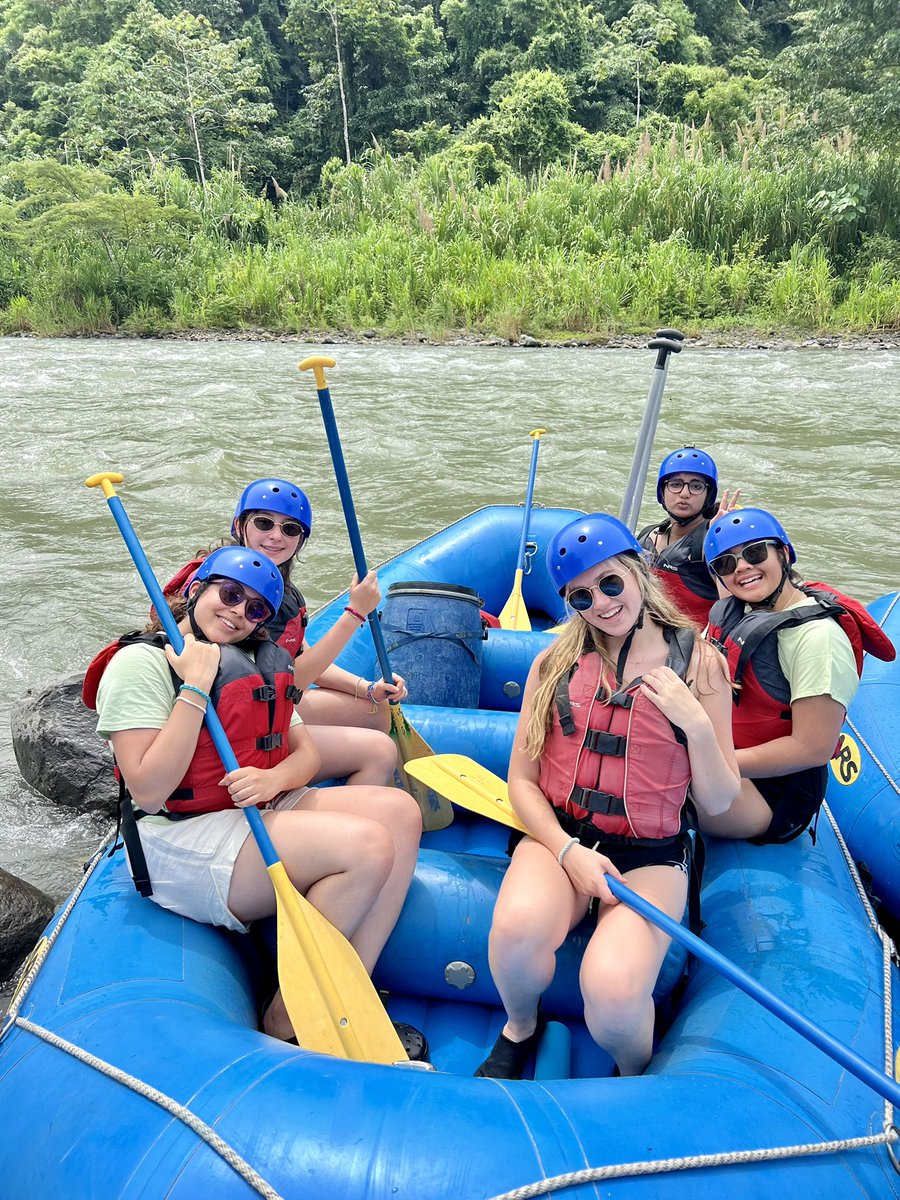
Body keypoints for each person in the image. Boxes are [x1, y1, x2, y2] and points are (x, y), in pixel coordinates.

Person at [93, 545, 423, 1051]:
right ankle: (286, 1021)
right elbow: (149, 788)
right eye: (228, 594)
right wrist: (194, 690)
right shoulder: (140, 664)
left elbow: (304, 753)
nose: (237, 612)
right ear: (195, 590)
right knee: (366, 846)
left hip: (251, 806)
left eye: (255, 609)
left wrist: (273, 781)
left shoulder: (254, 661)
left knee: (400, 812)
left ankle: (350, 983)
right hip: (177, 834)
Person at [474, 514, 739, 1080]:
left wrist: (694, 723)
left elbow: (718, 800)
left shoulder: (701, 666)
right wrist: (568, 852)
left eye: (611, 583)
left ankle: (631, 1068)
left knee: (615, 995)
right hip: (561, 840)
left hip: (649, 854)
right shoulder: (553, 664)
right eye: (581, 596)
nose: (600, 603)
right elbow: (522, 781)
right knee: (515, 936)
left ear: (639, 573)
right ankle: (521, 1026)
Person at [165, 478, 407, 789]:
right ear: (239, 525)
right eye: (264, 523)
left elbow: (300, 658)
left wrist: (368, 687)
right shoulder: (233, 595)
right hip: (225, 718)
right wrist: (354, 614)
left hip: (263, 702)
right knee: (378, 751)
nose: (276, 536)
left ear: (301, 539)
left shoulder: (279, 594)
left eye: (290, 529)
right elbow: (292, 681)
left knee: (375, 711)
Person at [700, 508, 895, 844]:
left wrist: (709, 765)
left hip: (772, 797)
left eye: (755, 552)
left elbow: (812, 748)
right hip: (725, 760)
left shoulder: (817, 639)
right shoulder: (737, 609)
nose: (743, 566)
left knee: (652, 786)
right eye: (727, 564)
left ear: (784, 553)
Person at [638, 446, 741, 625]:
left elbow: (731, 609)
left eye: (696, 486)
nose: (684, 494)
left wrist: (724, 541)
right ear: (662, 492)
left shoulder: (713, 542)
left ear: (708, 495)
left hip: (693, 645)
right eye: (676, 484)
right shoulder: (648, 535)